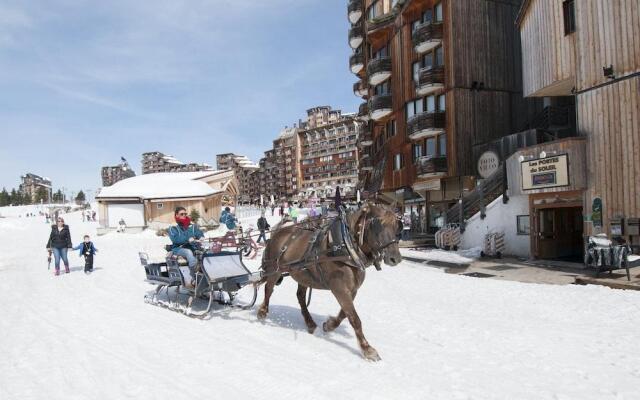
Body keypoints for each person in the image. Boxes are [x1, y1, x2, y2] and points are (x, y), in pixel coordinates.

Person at [169, 207, 204, 283]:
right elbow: (175, 239)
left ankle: (205, 275)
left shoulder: (191, 225)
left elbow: (198, 232)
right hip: (179, 248)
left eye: (185, 214)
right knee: (188, 253)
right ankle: (194, 276)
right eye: (182, 214)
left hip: (192, 246)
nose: (184, 215)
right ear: (177, 215)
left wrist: (201, 236)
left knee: (205, 253)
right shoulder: (173, 227)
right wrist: (187, 239)